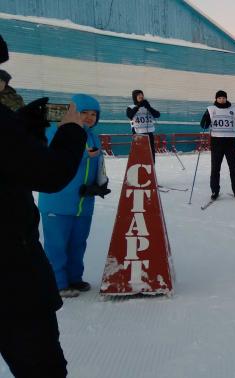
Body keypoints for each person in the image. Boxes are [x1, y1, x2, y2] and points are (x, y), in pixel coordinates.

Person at [1, 34, 88, 377]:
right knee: (42, 367)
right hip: (11, 275)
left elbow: (14, 163)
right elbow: (48, 174)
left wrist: (24, 130)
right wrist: (70, 131)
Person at [39, 94, 111, 298]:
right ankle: (57, 282)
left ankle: (74, 278)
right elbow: (54, 159)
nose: (89, 117)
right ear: (73, 113)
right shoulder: (56, 131)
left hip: (83, 203)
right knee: (56, 245)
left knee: (78, 243)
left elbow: (99, 164)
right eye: (84, 113)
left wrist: (101, 184)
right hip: (58, 202)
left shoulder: (93, 136)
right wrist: (85, 155)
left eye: (93, 114)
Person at [200, 90, 235, 200]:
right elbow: (203, 125)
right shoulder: (211, 109)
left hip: (230, 142)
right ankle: (215, 191)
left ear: (226, 98)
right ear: (216, 99)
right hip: (216, 142)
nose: (222, 100)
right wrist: (206, 118)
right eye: (219, 98)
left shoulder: (233, 110)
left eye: (223, 98)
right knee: (215, 168)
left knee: (234, 168)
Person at [126, 89, 161, 162]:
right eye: (138, 95)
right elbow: (130, 115)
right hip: (138, 133)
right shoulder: (131, 107)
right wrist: (138, 106)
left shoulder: (147, 107)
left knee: (151, 152)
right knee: (139, 152)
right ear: (135, 97)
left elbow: (157, 115)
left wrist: (149, 107)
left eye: (142, 95)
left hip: (149, 133)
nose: (141, 96)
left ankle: (152, 168)